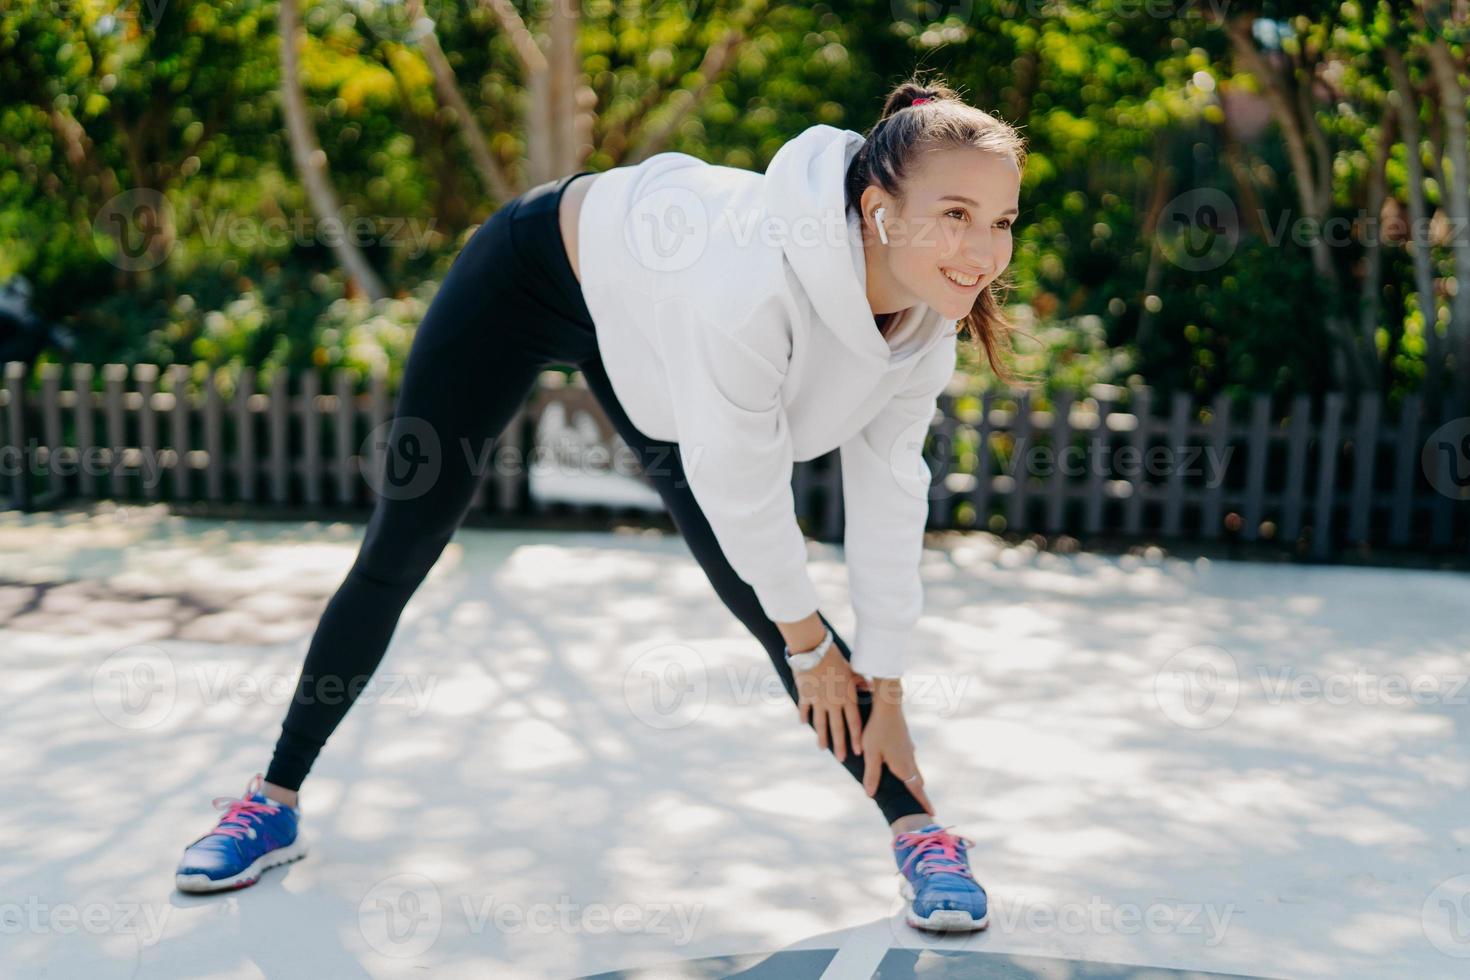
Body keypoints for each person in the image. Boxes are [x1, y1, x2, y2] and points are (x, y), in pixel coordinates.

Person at [175, 74, 1025, 934]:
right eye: (955, 215)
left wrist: (884, 682)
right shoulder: (753, 289)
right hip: (538, 268)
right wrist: (812, 648)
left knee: (759, 597)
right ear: (879, 209)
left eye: (1001, 222)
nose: (984, 251)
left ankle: (919, 830)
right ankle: (271, 801)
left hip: (649, 330)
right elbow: (745, 494)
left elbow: (889, 495)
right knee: (404, 544)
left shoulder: (922, 321)